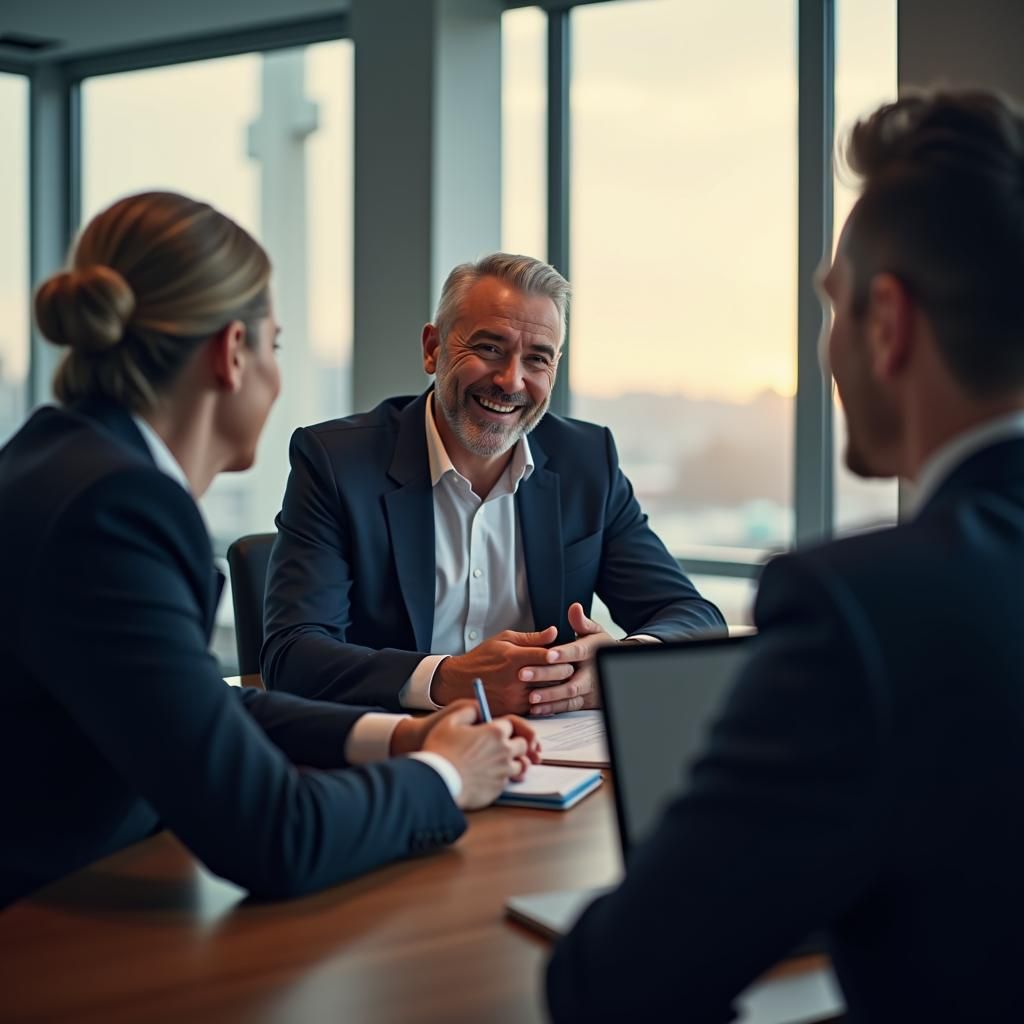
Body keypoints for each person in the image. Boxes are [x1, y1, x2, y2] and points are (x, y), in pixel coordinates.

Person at [546, 89, 1024, 1022]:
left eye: (832, 307)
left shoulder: (864, 611)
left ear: (887, 323)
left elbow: (616, 985)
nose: (827, 346)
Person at [0, 192, 539, 908]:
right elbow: (275, 835)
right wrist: (445, 776)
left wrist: (404, 738)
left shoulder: (57, 463)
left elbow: (201, 711)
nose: (277, 375)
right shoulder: (116, 512)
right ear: (231, 353)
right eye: (276, 345)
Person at [262, 253, 725, 716]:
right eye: (488, 348)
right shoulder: (337, 462)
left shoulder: (587, 461)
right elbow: (293, 655)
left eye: (537, 359)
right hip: (395, 756)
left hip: (551, 755)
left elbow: (694, 617)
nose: (511, 381)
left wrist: (615, 664)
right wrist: (448, 679)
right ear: (433, 348)